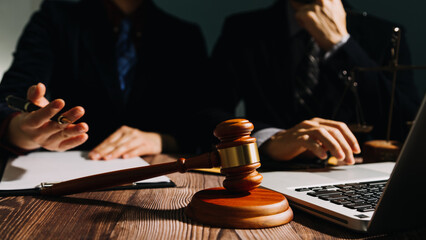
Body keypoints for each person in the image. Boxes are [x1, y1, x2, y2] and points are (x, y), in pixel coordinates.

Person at [207, 0, 420, 165]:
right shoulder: (242, 30)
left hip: (353, 175)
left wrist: (342, 45)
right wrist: (269, 140)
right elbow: (204, 114)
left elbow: (409, 127)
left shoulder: (386, 35)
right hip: (267, 173)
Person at [0, 0, 208, 159]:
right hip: (64, 169)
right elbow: (11, 97)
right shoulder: (55, 18)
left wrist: (164, 141)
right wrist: (23, 130)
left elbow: (203, 122)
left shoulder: (185, 36)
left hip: (157, 173)